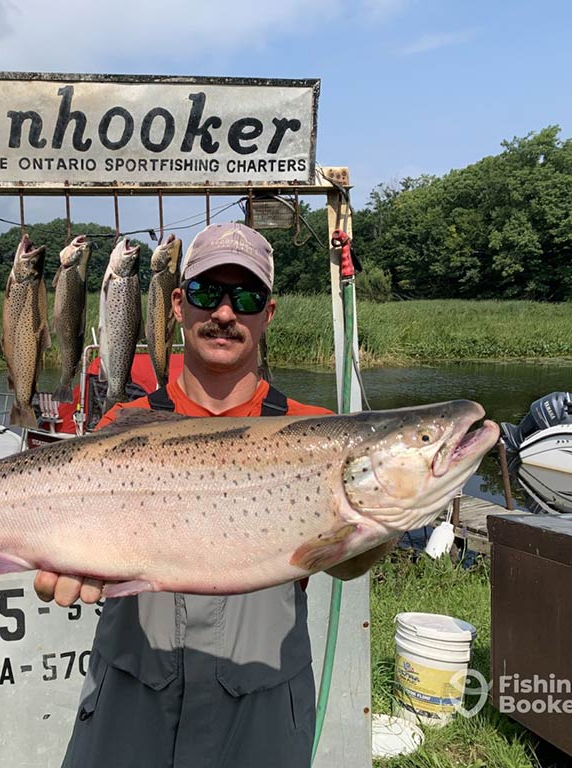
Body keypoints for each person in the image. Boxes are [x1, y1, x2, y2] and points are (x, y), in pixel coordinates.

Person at [34, 222, 395, 768]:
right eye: (208, 293)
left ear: (267, 314)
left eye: (246, 296)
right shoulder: (123, 426)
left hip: (261, 714)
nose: (225, 313)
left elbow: (346, 567)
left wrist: (383, 512)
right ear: (178, 304)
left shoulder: (316, 434)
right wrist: (57, 556)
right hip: (131, 708)